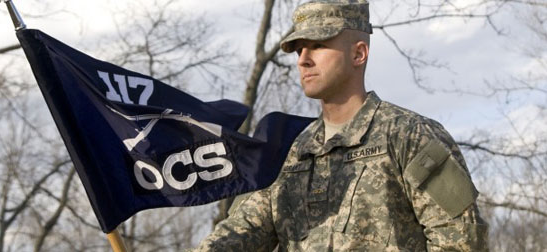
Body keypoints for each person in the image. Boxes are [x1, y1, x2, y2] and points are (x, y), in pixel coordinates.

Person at [195, 0, 488, 251]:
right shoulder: (288, 152)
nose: (304, 60)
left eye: (318, 46)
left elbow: (461, 240)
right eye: (299, 51)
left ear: (358, 54)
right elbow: (239, 233)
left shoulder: (408, 135)